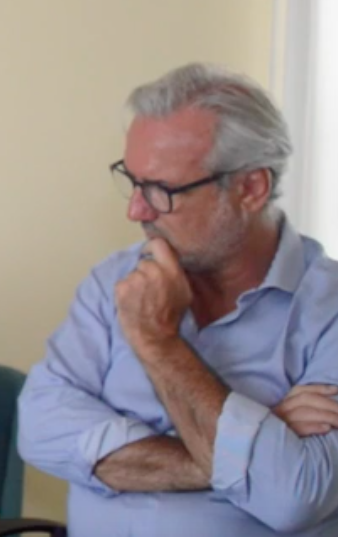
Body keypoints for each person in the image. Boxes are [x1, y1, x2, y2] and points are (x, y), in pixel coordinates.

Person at [17, 63, 338, 536]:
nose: (135, 210)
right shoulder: (115, 281)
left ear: (251, 188)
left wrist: (159, 344)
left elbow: (294, 498)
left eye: (161, 190)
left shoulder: (327, 308)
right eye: (132, 180)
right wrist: (247, 443)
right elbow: (39, 429)